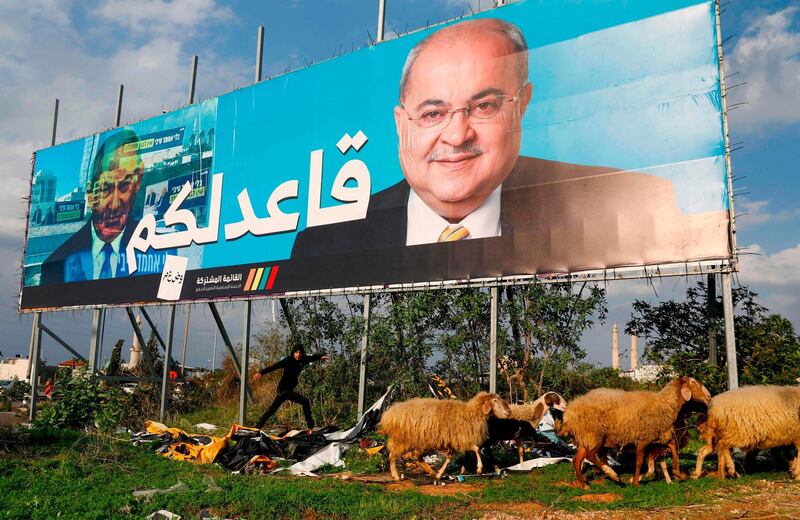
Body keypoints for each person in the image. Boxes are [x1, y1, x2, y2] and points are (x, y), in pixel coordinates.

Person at [290, 18, 728, 276]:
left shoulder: (630, 201)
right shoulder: (323, 247)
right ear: (401, 124)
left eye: (483, 106)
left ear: (522, 105)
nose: (457, 136)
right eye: (432, 113)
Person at [40, 128, 144, 284]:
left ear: (137, 184)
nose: (114, 204)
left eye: (124, 186)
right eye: (106, 189)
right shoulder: (56, 264)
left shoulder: (152, 250)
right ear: (90, 194)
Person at [252, 346, 329, 430]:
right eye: (296, 352)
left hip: (289, 390)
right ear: (293, 353)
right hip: (283, 390)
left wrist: (321, 356)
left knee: (273, 410)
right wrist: (261, 373)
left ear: (302, 353)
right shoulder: (288, 360)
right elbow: (274, 366)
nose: (298, 355)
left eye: (300, 353)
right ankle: (311, 427)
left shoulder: (303, 359)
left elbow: (312, 358)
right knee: (304, 402)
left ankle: (258, 426)